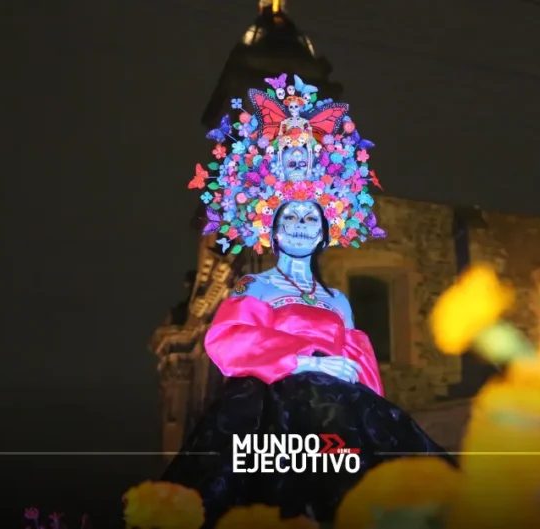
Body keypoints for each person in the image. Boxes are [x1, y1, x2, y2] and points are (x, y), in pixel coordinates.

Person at [167, 74, 454, 527]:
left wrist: (372, 412)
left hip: (341, 413)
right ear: (273, 229)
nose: (300, 224)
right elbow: (226, 341)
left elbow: (362, 372)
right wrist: (305, 363)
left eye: (309, 218)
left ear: (323, 232)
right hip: (277, 410)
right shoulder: (255, 288)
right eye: (290, 217)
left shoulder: (338, 300)